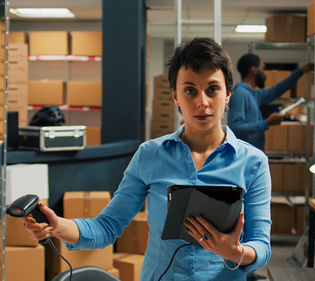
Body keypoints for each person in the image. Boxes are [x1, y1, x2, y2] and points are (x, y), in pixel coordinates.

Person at [23, 38, 271, 281]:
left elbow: (261, 246)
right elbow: (107, 226)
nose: (202, 102)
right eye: (190, 91)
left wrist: (236, 253)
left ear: (228, 94)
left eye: (212, 89)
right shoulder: (150, 155)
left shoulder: (253, 162)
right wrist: (58, 226)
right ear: (175, 97)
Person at [227, 53, 313, 151]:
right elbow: (235, 127)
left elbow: (276, 90)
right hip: (245, 157)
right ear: (254, 70)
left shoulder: (253, 94)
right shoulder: (240, 94)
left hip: (253, 155)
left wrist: (300, 71)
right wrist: (267, 123)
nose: (264, 73)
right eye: (262, 69)